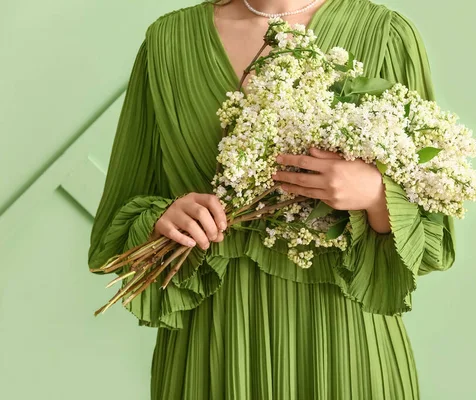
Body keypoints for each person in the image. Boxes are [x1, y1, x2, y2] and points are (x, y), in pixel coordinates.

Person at [87, 0, 456, 398]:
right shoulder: (168, 42)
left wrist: (375, 196)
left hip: (346, 347)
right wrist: (165, 219)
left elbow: (435, 239)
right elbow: (116, 230)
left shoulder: (386, 34)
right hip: (214, 348)